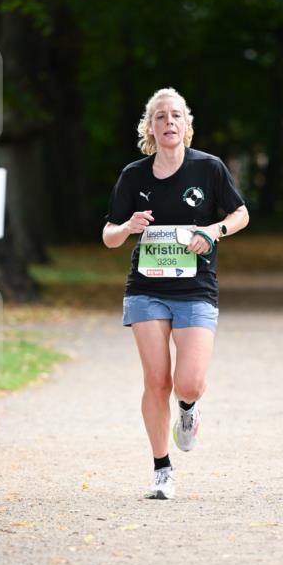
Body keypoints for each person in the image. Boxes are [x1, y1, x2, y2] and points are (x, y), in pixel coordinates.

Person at [103, 87, 249, 499]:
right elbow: (109, 236)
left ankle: (187, 410)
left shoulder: (209, 169)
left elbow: (240, 214)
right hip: (146, 288)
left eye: (176, 116)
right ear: (149, 127)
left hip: (195, 288)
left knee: (189, 384)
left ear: (187, 125)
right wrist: (127, 227)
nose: (169, 123)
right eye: (161, 117)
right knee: (156, 380)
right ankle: (162, 469)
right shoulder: (134, 175)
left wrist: (212, 231)